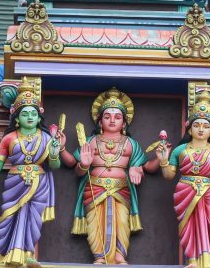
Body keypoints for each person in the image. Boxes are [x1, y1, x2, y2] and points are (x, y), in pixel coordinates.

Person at [153, 93, 210, 268]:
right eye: (196, 125)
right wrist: (163, 160)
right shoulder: (180, 150)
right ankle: (193, 259)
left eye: (205, 126)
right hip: (185, 190)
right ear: (189, 129)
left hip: (207, 191)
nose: (201, 129)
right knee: (189, 226)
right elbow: (169, 175)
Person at [0, 83, 61, 267]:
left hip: (39, 183)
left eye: (33, 113)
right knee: (7, 217)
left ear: (39, 117)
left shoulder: (47, 138)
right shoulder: (9, 138)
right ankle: (0, 255)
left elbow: (54, 165)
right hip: (15, 181)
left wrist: (55, 152)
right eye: (25, 114)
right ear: (17, 118)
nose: (30, 117)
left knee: (33, 219)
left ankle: (28, 255)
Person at [60, 88, 146, 265]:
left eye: (117, 117)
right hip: (95, 188)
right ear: (100, 121)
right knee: (95, 223)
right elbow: (72, 164)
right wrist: (62, 149)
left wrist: (146, 166)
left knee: (122, 222)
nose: (112, 120)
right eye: (107, 116)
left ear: (124, 123)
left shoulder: (130, 143)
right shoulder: (91, 141)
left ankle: (120, 256)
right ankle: (99, 257)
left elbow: (145, 166)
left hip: (121, 189)